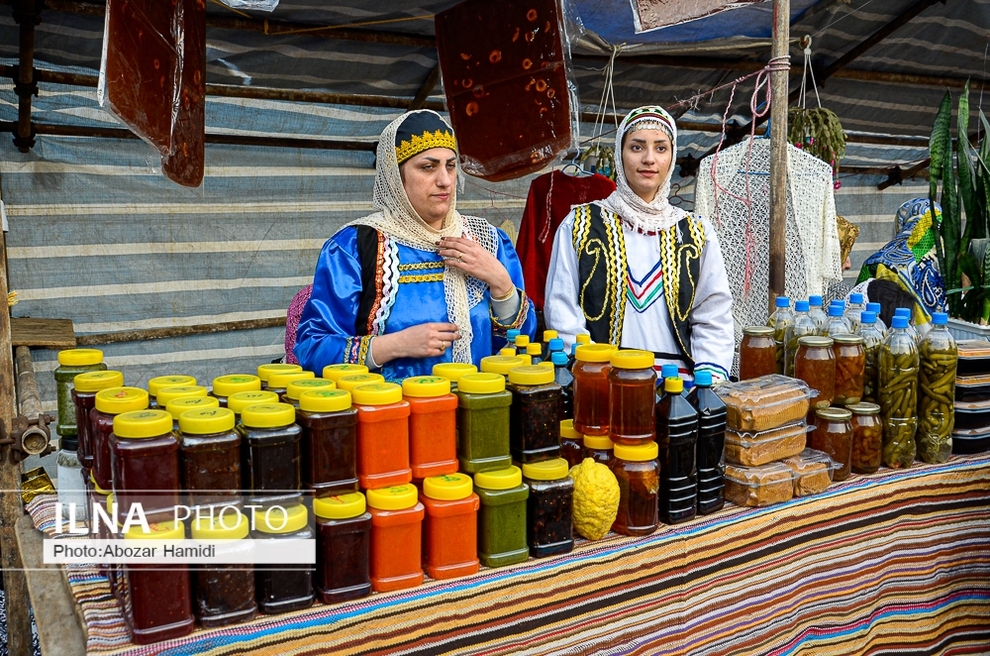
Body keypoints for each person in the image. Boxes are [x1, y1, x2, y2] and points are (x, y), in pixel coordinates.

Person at [294, 110, 536, 380]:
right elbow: (312, 349)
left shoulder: (489, 242)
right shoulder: (354, 248)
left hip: (479, 411)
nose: (444, 180)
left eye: (451, 165)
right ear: (396, 177)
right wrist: (393, 345)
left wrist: (502, 285)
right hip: (391, 414)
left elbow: (522, 348)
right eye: (428, 167)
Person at [543, 106, 734, 382]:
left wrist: (705, 385)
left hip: (678, 392)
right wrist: (594, 377)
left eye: (660, 148)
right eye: (636, 147)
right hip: (606, 387)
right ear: (621, 154)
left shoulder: (696, 232)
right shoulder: (581, 224)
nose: (649, 159)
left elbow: (712, 316)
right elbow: (561, 311)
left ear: (672, 156)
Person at [852, 197, 946, 329]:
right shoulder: (953, 261)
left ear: (901, 222)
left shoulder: (876, 261)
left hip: (891, 341)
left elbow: (854, 307)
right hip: (949, 342)